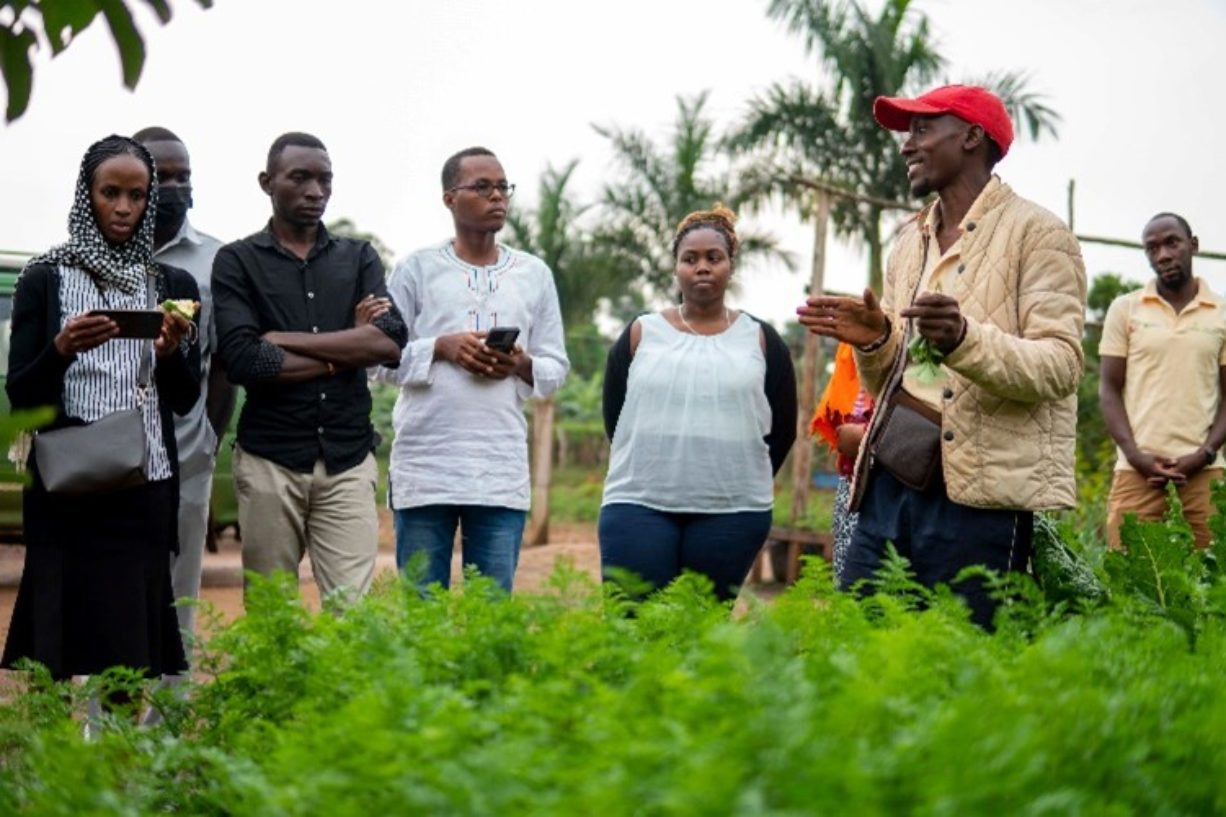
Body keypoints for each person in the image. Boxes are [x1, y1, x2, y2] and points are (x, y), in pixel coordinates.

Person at [798, 85, 1087, 627]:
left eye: (923, 129)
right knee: (861, 647)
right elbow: (894, 377)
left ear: (973, 137)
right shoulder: (911, 239)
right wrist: (874, 341)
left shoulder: (1039, 234)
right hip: (891, 481)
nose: (908, 145)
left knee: (963, 663)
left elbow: (1061, 366)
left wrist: (963, 338)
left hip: (979, 498)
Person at [2, 135, 200, 683]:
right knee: (54, 649)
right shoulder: (45, 278)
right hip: (66, 487)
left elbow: (185, 400)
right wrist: (62, 348)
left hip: (144, 486)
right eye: (109, 193)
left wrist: (167, 353)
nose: (122, 208)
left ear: (149, 200)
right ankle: (56, 763)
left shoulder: (170, 284)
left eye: (137, 195)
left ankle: (116, 760)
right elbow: (23, 396)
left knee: (130, 651)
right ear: (86, 194)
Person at [212, 132, 407, 602]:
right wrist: (343, 354)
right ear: (267, 182)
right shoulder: (237, 262)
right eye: (300, 177)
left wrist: (282, 340)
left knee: (352, 612)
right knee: (273, 612)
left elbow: (389, 341)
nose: (315, 191)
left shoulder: (359, 257)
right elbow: (245, 360)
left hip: (347, 458)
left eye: (325, 180)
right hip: (269, 460)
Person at [373, 147, 568, 592]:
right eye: (482, 187)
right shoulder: (416, 270)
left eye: (503, 187)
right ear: (449, 198)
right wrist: (441, 348)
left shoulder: (534, 274)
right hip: (426, 467)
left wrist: (519, 363)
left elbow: (556, 367)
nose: (496, 196)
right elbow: (380, 359)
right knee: (423, 611)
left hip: (498, 469)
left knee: (492, 611)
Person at [600, 206, 797, 602]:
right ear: (675, 268)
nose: (702, 267)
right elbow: (615, 416)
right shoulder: (642, 333)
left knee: (702, 634)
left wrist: (738, 472)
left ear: (730, 266)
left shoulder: (761, 339)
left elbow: (783, 428)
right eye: (690, 259)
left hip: (733, 512)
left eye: (714, 258)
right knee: (633, 626)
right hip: (637, 503)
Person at [133, 126, 232, 671]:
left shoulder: (217, 260)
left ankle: (164, 724)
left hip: (186, 452)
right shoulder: (90, 260)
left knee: (179, 593)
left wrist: (208, 440)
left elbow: (224, 364)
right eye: (161, 176)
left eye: (183, 176)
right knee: (113, 589)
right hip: (108, 452)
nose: (175, 186)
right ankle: (102, 729)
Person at [1099, 213, 1226, 550]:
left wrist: (1205, 454)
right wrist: (1135, 456)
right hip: (1137, 470)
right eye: (1152, 248)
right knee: (1128, 578)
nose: (1164, 255)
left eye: (1172, 242)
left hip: (1205, 472)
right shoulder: (1125, 310)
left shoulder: (1222, 314)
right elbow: (1109, 389)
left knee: (1216, 583)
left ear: (1193, 246)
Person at [810, 342, 874, 584]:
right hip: (853, 484)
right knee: (851, 585)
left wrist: (866, 438)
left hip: (900, 482)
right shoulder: (851, 349)